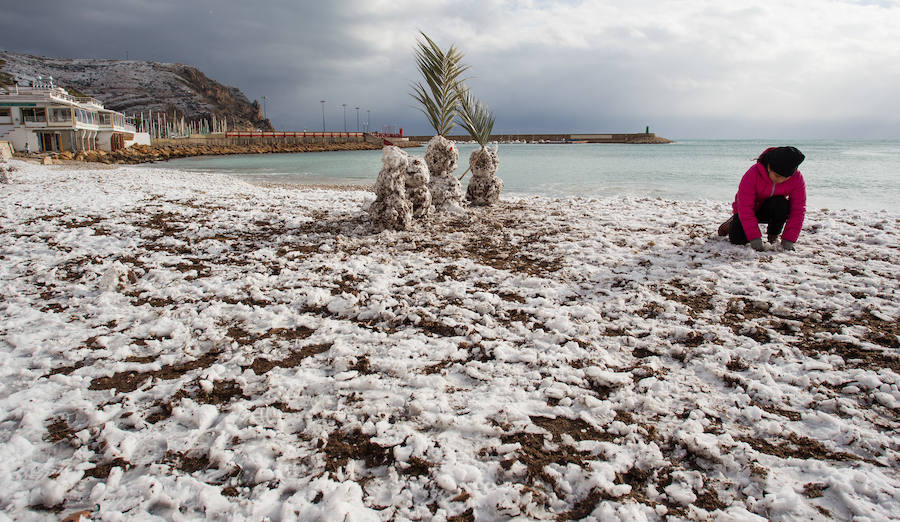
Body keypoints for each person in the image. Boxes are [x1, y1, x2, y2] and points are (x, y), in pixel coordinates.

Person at [718, 146, 806, 251]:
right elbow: (745, 207)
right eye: (777, 176)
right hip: (746, 211)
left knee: (781, 204)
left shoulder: (797, 178)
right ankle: (730, 223)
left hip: (771, 210)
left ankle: (773, 235)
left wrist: (789, 240)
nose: (781, 181)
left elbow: (798, 210)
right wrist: (755, 238)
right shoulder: (753, 174)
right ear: (769, 166)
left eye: (786, 178)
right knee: (739, 241)